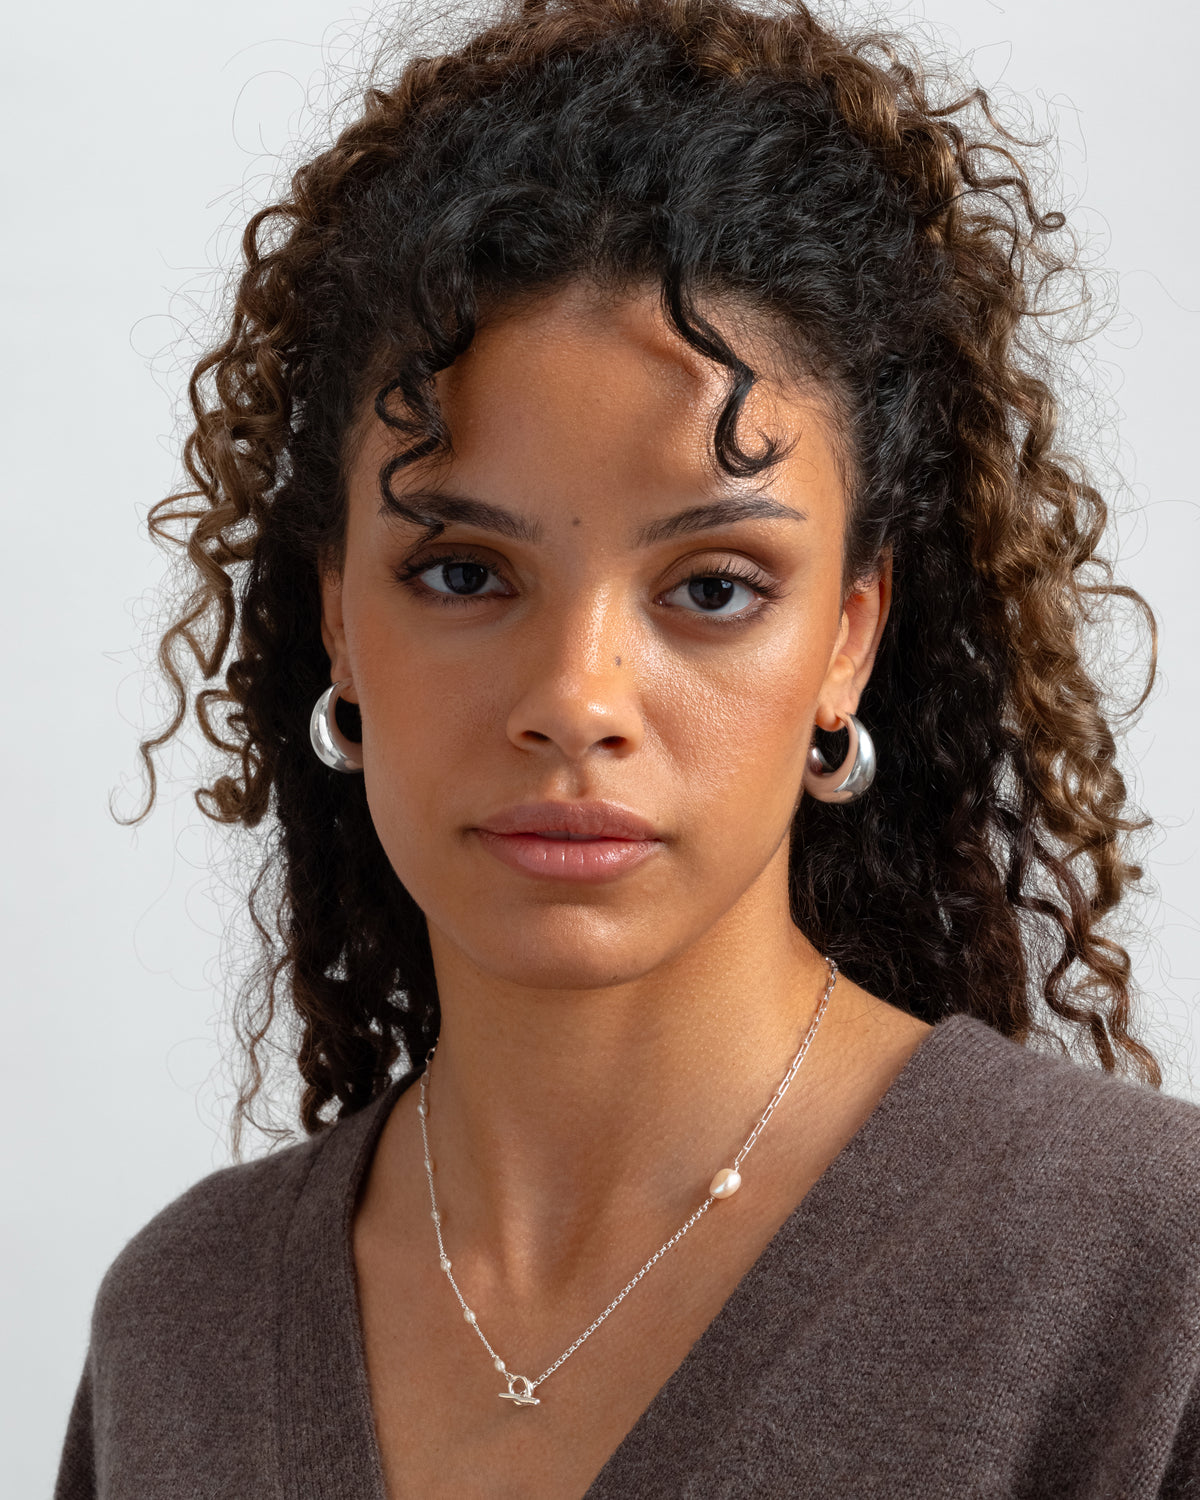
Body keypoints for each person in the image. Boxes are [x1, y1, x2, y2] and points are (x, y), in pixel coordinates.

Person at [54, 0, 1200, 1495]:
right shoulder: (187, 1323)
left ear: (848, 638)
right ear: (338, 618)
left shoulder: (1146, 1286)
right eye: (464, 572)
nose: (575, 697)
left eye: (712, 589)